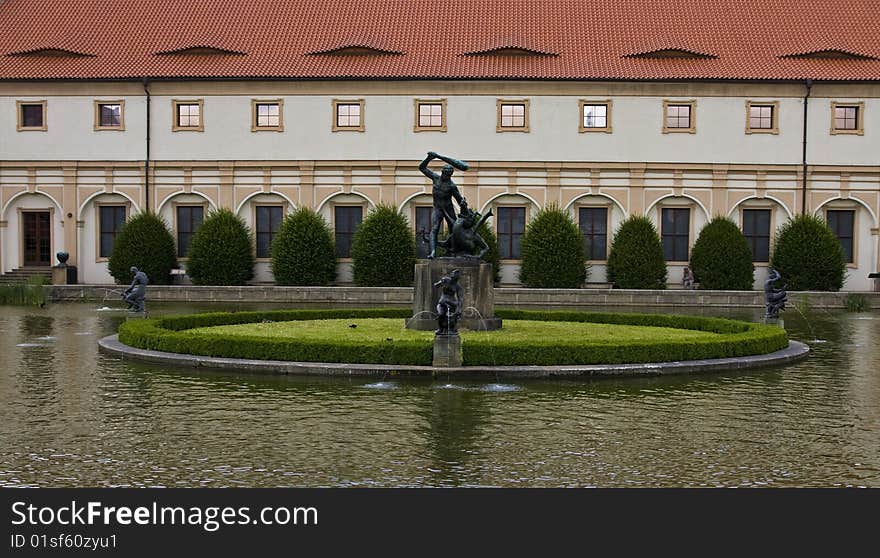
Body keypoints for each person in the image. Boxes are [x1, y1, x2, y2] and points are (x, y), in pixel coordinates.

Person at [419, 151, 468, 259]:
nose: (447, 176)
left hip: (448, 209)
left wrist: (463, 204)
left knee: (453, 231)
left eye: (449, 174)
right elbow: (422, 168)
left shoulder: (452, 186)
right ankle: (432, 253)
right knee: (434, 229)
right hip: (438, 209)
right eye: (445, 174)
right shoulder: (435, 178)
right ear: (442, 172)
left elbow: (459, 200)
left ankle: (454, 251)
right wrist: (429, 158)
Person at [434, 269, 463, 334]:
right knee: (440, 314)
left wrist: (459, 308)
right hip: (442, 302)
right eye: (454, 276)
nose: (455, 279)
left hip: (451, 303)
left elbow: (460, 298)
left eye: (456, 278)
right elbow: (436, 285)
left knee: (450, 316)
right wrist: (440, 283)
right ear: (451, 276)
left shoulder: (457, 286)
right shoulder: (446, 280)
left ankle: (451, 329)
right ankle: (440, 329)